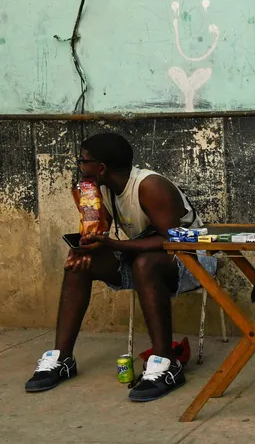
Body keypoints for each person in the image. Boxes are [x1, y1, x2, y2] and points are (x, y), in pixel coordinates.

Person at [24, 132, 217, 401]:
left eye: (84, 161)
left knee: (145, 264)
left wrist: (115, 245)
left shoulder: (149, 186)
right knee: (80, 264)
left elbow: (172, 240)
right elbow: (100, 231)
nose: (80, 166)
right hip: (141, 257)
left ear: (101, 167)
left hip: (193, 259)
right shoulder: (103, 189)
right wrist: (85, 246)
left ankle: (166, 364)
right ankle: (62, 359)